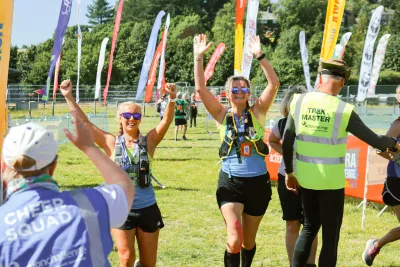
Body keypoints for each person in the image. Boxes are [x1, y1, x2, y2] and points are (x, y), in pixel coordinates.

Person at [282, 59, 400, 267]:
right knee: (330, 237)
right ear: (343, 82)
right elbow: (375, 141)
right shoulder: (343, 109)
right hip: (332, 184)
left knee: (308, 228)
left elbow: (287, 141)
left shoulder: (298, 101)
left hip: (305, 180)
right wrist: (394, 143)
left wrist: (290, 173)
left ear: (320, 78)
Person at [60, 79, 177, 267]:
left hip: (148, 208)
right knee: (126, 257)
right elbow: (85, 123)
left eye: (136, 115)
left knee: (148, 263)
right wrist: (69, 97)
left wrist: (172, 98)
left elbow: (166, 120)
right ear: (120, 118)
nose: (132, 118)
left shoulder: (149, 142)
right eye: (127, 115)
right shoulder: (111, 142)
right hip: (121, 209)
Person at [0, 112, 134, 266]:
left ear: (3, 165)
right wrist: (90, 148)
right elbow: (125, 187)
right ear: (53, 166)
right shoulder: (91, 204)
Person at [194, 34, 279, 267]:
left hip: (258, 184)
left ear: (249, 93)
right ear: (227, 93)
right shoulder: (222, 115)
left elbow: (274, 84)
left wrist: (260, 56)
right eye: (234, 89)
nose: (239, 92)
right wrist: (198, 58)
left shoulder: (258, 112)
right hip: (230, 183)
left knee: (248, 242)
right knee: (234, 238)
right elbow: (201, 89)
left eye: (243, 89)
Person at [268, 86, 317, 267]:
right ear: (287, 104)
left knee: (311, 226)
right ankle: (293, 264)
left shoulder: (313, 124)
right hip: (286, 178)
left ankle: (311, 263)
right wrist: (288, 153)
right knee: (292, 224)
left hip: (312, 179)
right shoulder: (282, 124)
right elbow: (272, 141)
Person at [362, 116, 400, 266]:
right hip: (397, 181)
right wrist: (398, 158)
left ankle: (376, 245)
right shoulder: (398, 124)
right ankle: (375, 246)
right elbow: (379, 147)